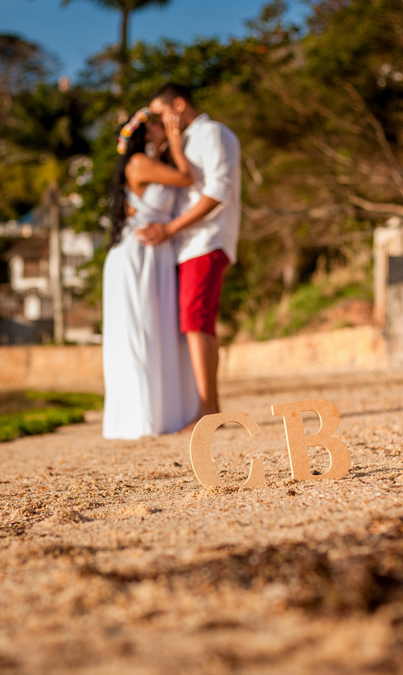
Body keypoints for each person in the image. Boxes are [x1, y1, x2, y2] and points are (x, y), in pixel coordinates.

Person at [138, 84, 241, 429]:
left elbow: (219, 191)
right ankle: (209, 406)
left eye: (161, 113)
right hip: (189, 244)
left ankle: (207, 409)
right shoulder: (183, 141)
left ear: (179, 105)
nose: (159, 121)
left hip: (206, 240)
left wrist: (170, 229)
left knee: (196, 322)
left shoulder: (212, 133)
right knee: (199, 323)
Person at [101, 107, 201, 440]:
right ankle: (140, 417)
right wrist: (175, 140)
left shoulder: (156, 162)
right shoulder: (139, 163)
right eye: (158, 124)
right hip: (137, 255)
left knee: (160, 330)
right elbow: (187, 178)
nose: (164, 125)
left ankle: (164, 413)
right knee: (140, 331)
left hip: (158, 255)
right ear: (144, 133)